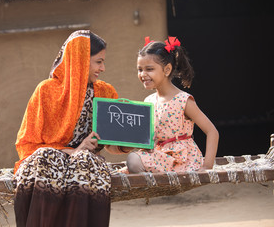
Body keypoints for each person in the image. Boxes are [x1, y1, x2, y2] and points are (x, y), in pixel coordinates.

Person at [13, 30, 118, 227]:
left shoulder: (106, 92)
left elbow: (111, 144)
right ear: (80, 60)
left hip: (85, 162)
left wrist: (130, 144)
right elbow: (26, 144)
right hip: (48, 159)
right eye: (98, 61)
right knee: (46, 157)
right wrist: (73, 151)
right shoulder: (46, 91)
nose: (103, 68)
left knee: (86, 160)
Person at [123, 36, 219, 174]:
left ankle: (151, 179)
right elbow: (147, 138)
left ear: (167, 70)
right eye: (140, 69)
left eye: (149, 69)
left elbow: (212, 132)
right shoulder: (149, 101)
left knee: (133, 159)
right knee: (132, 159)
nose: (143, 74)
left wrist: (207, 166)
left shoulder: (182, 100)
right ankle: (149, 181)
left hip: (182, 160)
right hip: (159, 157)